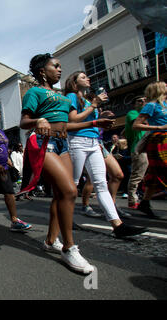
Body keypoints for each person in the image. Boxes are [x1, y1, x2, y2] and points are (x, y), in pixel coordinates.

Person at [20, 53, 115, 274]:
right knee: (70, 191)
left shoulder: (62, 96)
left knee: (60, 194)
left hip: (63, 144)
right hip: (44, 143)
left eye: (61, 66)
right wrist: (38, 120)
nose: (60, 69)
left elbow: (66, 126)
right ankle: (69, 247)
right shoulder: (34, 92)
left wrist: (95, 121)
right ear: (42, 71)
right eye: (55, 66)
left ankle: (51, 240)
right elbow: (24, 122)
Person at [64, 71, 146, 238]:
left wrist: (103, 120)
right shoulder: (72, 97)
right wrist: (94, 106)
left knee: (101, 183)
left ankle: (117, 225)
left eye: (87, 76)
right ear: (74, 82)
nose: (88, 78)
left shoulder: (87, 100)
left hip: (95, 143)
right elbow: (72, 120)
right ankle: (65, 218)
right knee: (72, 184)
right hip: (78, 142)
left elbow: (91, 122)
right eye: (83, 77)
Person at [0, 103, 32, 231]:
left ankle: (14, 221)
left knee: (9, 191)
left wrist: (8, 161)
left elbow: (3, 148)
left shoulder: (0, 132)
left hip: (3, 167)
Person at [132, 81, 167, 218]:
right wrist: (158, 128)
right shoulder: (151, 106)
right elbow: (136, 125)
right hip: (159, 141)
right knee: (163, 170)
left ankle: (145, 203)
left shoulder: (165, 105)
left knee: (155, 173)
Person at [125, 96, 149, 209]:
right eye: (139, 101)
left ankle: (146, 198)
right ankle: (132, 200)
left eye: (145, 100)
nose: (143, 102)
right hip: (140, 149)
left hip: (152, 147)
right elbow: (137, 123)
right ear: (134, 104)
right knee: (137, 175)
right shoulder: (132, 113)